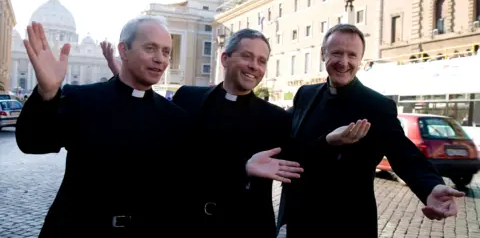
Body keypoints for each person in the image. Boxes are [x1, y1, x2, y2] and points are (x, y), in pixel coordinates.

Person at [102, 28, 369, 238]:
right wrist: (122, 73)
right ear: (225, 58)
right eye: (247, 56)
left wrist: (329, 141)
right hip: (190, 227)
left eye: (262, 60)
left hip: (247, 230)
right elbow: (161, 137)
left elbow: (301, 160)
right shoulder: (188, 99)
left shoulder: (274, 118)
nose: (254, 65)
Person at [278, 24, 466, 237]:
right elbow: (290, 143)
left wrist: (431, 187)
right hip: (297, 220)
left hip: (346, 224)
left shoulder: (376, 105)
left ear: (361, 60)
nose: (344, 62)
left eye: (352, 55)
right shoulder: (305, 94)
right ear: (323, 54)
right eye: (337, 53)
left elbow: (403, 154)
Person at [16, 16, 194, 237]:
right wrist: (47, 93)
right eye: (150, 48)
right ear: (124, 50)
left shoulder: (176, 120)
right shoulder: (81, 99)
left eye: (166, 52)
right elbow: (33, 143)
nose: (160, 59)